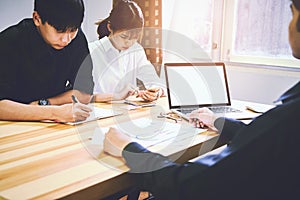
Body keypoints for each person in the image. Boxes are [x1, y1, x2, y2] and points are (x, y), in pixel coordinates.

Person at [103, 0, 300, 199]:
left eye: (292, 14)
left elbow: (188, 185)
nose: (289, 25)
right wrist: (217, 120)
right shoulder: (288, 118)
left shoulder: (290, 116)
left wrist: (129, 149)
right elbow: (264, 140)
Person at [0, 0, 94, 123]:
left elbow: (85, 92)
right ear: (37, 18)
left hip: (52, 123)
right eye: (59, 31)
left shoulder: (77, 39)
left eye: (73, 30)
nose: (66, 39)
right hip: (12, 125)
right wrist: (53, 112)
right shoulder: (9, 41)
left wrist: (46, 103)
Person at [88, 0, 165, 102]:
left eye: (135, 37)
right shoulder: (92, 51)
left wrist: (156, 92)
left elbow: (154, 81)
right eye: (124, 37)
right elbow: (80, 96)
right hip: (99, 112)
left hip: (128, 112)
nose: (129, 43)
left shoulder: (136, 50)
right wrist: (115, 96)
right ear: (110, 27)